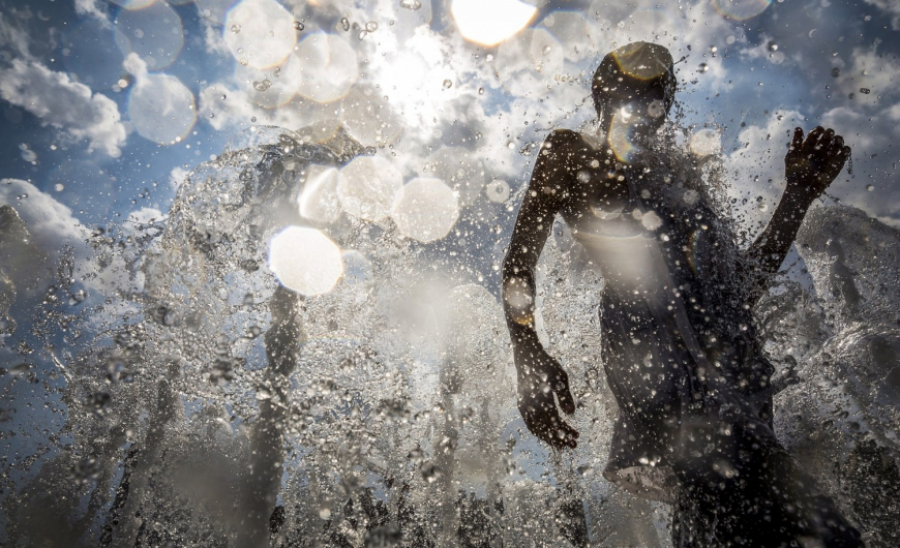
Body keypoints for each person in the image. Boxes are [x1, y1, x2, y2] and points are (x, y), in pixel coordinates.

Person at [502, 42, 863, 546]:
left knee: (722, 518)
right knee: (804, 525)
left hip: (732, 384)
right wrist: (528, 354)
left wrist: (797, 197)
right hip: (657, 369)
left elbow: (737, 292)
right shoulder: (570, 151)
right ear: (600, 90)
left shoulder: (684, 176)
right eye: (631, 84)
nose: (648, 99)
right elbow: (518, 263)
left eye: (660, 90)